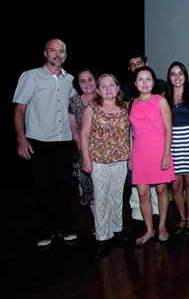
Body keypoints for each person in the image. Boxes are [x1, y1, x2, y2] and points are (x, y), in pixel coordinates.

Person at [13, 39, 78, 247]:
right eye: (53, 50)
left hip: (64, 141)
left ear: (66, 55)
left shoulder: (71, 81)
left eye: (61, 51)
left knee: (62, 187)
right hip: (38, 142)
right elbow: (19, 109)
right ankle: (47, 231)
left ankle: (65, 229)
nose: (57, 54)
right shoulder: (30, 76)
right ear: (45, 53)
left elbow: (76, 110)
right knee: (43, 187)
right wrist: (21, 138)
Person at [80, 74, 130, 254]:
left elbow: (130, 134)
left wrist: (130, 155)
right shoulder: (92, 108)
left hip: (120, 159)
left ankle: (117, 230)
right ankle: (102, 235)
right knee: (101, 197)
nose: (108, 88)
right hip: (98, 160)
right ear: (99, 90)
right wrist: (86, 159)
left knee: (117, 196)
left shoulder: (125, 108)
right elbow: (84, 135)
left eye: (112, 85)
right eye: (103, 86)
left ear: (117, 88)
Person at [129, 66, 175, 245]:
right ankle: (149, 230)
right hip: (139, 152)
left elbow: (168, 129)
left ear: (154, 82)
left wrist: (166, 155)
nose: (144, 83)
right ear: (135, 83)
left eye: (148, 79)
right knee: (142, 194)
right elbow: (132, 132)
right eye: (140, 79)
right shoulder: (132, 102)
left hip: (158, 150)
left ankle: (162, 226)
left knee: (162, 191)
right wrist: (131, 156)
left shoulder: (160, 100)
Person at [121, 51, 162, 236]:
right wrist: (130, 153)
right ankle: (142, 222)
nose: (136, 66)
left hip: (156, 145)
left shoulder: (159, 89)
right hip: (138, 146)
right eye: (132, 64)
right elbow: (128, 126)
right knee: (139, 190)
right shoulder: (126, 91)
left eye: (139, 62)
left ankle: (158, 221)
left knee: (158, 190)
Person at [165, 62, 189, 236]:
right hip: (172, 142)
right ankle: (181, 218)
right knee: (175, 186)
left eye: (180, 73)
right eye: (173, 74)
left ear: (185, 75)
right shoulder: (164, 97)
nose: (177, 77)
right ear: (169, 77)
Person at [69, 67, 99, 228]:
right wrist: (77, 139)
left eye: (90, 79)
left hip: (106, 152)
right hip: (85, 151)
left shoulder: (106, 97)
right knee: (90, 190)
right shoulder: (74, 102)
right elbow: (73, 125)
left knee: (108, 190)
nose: (87, 83)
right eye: (82, 80)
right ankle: (98, 224)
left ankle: (113, 222)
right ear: (77, 84)